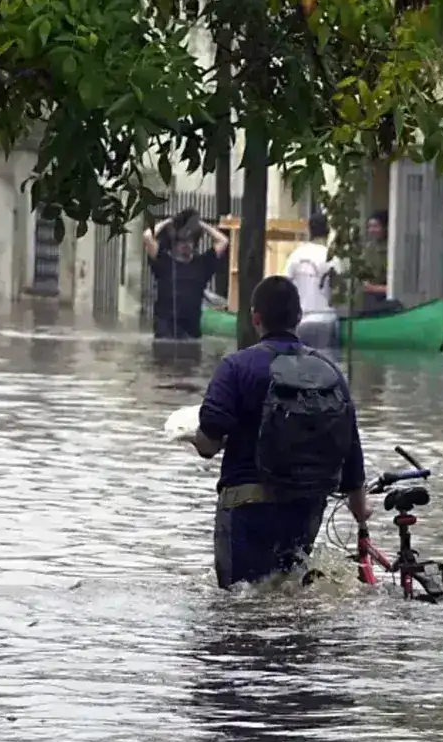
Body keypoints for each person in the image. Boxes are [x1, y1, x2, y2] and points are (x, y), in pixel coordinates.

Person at [193, 275, 372, 590]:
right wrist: (361, 513)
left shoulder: (235, 367)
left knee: (239, 604)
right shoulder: (329, 372)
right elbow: (351, 455)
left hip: (246, 509)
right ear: (299, 318)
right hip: (306, 508)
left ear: (255, 318)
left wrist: (193, 435)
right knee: (290, 596)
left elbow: (209, 444)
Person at [142, 208, 229, 339]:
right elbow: (147, 236)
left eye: (189, 240)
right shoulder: (164, 262)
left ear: (195, 243)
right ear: (174, 244)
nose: (185, 245)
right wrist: (169, 221)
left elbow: (223, 241)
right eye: (181, 241)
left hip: (191, 332)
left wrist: (200, 224)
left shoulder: (203, 264)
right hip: (165, 331)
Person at [283, 213, 338, 348]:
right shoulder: (332, 258)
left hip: (301, 320)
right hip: (325, 319)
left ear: (309, 230)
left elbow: (284, 287)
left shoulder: (296, 255)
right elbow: (338, 291)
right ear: (328, 231)